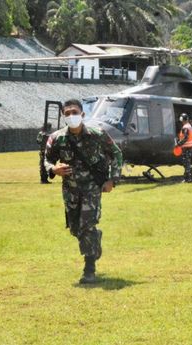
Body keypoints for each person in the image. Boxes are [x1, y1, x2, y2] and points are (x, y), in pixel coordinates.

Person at [44, 99, 123, 284]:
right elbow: (46, 160)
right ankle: (95, 240)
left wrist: (113, 180)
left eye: (75, 112)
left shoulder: (97, 134)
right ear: (64, 117)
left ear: (83, 114)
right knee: (75, 228)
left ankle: (89, 269)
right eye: (68, 113)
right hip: (70, 190)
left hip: (91, 188)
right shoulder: (56, 138)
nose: (72, 116)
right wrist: (53, 170)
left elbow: (117, 154)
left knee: (87, 225)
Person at [176, 113, 192, 183]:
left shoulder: (185, 127)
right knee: (187, 162)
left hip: (187, 147)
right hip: (189, 147)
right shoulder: (189, 126)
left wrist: (178, 144)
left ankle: (188, 178)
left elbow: (185, 138)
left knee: (186, 163)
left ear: (182, 120)